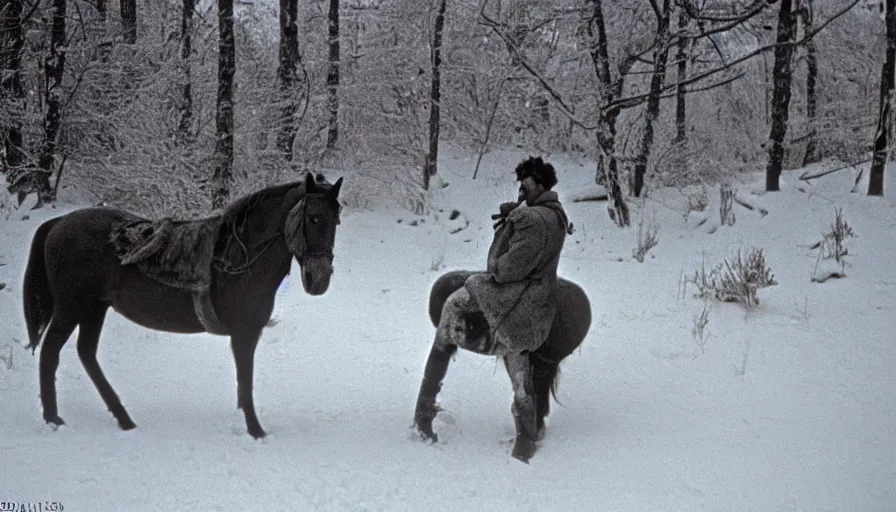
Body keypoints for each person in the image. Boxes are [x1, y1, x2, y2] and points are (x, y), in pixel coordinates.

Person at [437, 156, 571, 356]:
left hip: (522, 302)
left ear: (540, 185)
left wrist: (506, 227)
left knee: (453, 303)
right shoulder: (557, 215)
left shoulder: (529, 218)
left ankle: (440, 364)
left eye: (525, 182)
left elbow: (501, 271)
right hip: (544, 296)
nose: (520, 189)